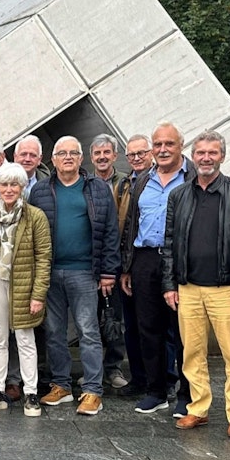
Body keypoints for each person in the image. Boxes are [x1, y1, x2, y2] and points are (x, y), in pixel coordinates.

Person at [161, 131, 230, 438]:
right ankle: (198, 409)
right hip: (188, 288)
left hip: (226, 289)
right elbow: (169, 241)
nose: (205, 158)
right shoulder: (179, 195)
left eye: (212, 153)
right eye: (200, 152)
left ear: (222, 156)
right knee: (192, 353)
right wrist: (169, 284)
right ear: (193, 156)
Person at [30, 136, 118, 416]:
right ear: (52, 160)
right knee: (54, 331)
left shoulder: (98, 188)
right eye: (61, 153)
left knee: (88, 331)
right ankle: (61, 386)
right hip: (50, 272)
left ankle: (93, 390)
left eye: (73, 153)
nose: (67, 157)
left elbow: (111, 232)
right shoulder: (41, 190)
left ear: (82, 159)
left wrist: (108, 272)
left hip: (85, 272)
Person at [120, 122, 194, 416]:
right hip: (145, 259)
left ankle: (187, 395)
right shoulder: (141, 181)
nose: (163, 150)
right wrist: (127, 267)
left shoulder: (191, 178)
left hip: (180, 260)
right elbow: (130, 226)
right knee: (147, 328)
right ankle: (156, 390)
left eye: (169, 144)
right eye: (158, 145)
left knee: (183, 330)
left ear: (180, 146)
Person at [0, 162, 51, 417]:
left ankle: (31, 393)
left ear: (22, 186)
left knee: (25, 338)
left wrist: (38, 294)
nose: (9, 189)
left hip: (23, 284)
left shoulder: (35, 216)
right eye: (4, 184)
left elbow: (43, 257)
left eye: (14, 184)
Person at [89, 133, 129, 390]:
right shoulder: (86, 183)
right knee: (91, 319)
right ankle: (94, 369)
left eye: (107, 153)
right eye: (97, 153)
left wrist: (112, 269)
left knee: (114, 317)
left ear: (115, 155)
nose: (102, 157)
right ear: (91, 157)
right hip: (90, 262)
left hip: (117, 262)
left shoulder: (127, 183)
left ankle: (113, 367)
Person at [115, 134, 153, 397]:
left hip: (153, 259)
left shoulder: (161, 180)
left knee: (156, 327)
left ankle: (162, 382)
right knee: (132, 324)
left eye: (142, 153)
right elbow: (122, 227)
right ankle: (139, 379)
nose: (137, 158)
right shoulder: (124, 184)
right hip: (130, 261)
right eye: (132, 155)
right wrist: (123, 267)